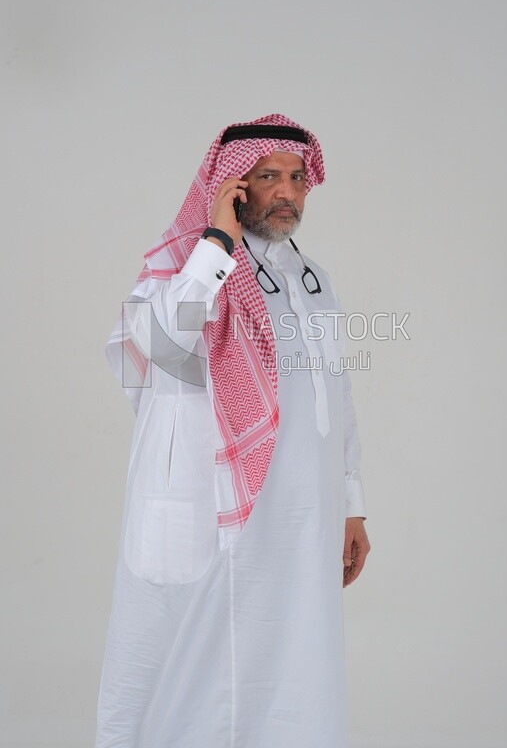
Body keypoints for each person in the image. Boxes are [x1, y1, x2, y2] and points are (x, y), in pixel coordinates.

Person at [95, 113, 370, 748]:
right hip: (218, 509)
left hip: (302, 513)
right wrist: (215, 243)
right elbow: (162, 342)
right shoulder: (186, 269)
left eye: (297, 178)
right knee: (196, 676)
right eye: (267, 176)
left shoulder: (312, 279)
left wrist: (352, 506)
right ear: (232, 185)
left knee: (295, 659)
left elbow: (338, 392)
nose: (288, 192)